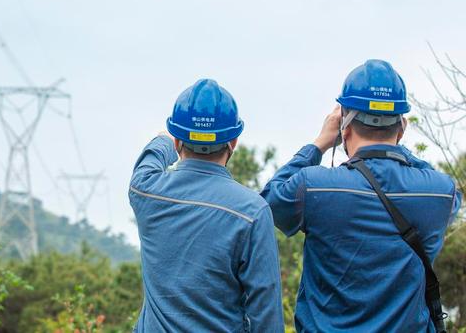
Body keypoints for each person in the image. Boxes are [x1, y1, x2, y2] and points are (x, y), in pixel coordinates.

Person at [262, 59, 462, 332]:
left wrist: (318, 144)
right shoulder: (439, 193)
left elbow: (269, 202)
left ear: (344, 123)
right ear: (401, 127)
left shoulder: (314, 186)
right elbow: (445, 188)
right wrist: (397, 148)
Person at [129, 78, 284, 332]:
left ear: (178, 141)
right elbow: (265, 314)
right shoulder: (252, 211)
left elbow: (150, 160)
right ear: (233, 142)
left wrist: (165, 138)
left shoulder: (146, 191)